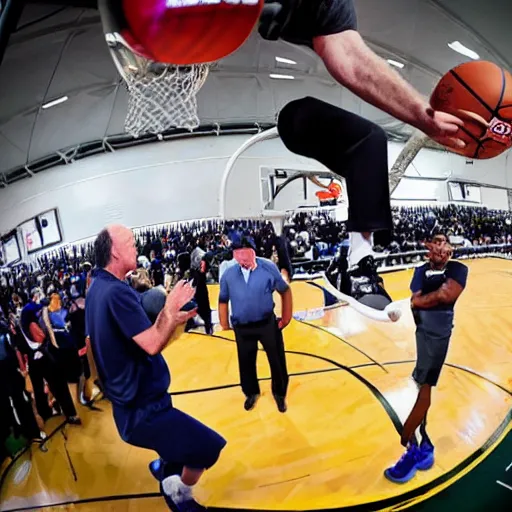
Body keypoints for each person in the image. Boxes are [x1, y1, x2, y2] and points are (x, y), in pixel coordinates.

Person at [258, 0, 466, 313]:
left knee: (371, 139)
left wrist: (423, 116)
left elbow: (352, 61)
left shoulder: (331, 7)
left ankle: (357, 261)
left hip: (296, 123)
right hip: (183, 29)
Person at [85, 225, 226, 512]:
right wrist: (169, 312)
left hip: (130, 405)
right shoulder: (115, 293)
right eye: (130, 242)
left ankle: (164, 466)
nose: (136, 245)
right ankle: (178, 492)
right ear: (114, 250)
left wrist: (169, 317)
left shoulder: (97, 287)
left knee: (173, 444)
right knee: (207, 448)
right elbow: (151, 343)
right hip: (143, 410)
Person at [385, 234, 468, 483]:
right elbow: (416, 299)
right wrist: (417, 303)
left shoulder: (458, 269)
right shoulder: (421, 270)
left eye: (444, 242)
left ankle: (411, 443)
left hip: (438, 334)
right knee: (422, 384)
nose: (440, 247)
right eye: (435, 243)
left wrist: (419, 303)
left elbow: (446, 295)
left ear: (450, 249)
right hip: (422, 332)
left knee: (423, 386)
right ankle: (423, 446)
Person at [218, 232, 292, 413]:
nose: (242, 256)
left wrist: (286, 316)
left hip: (266, 323)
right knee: (246, 361)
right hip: (242, 327)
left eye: (245, 251)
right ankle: (251, 392)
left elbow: (285, 290)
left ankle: (280, 393)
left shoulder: (268, 267)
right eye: (238, 252)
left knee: (277, 359)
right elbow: (223, 300)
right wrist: (224, 323)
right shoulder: (228, 274)